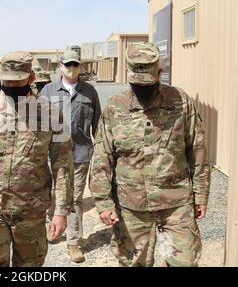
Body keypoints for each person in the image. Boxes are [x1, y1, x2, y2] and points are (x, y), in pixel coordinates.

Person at [90, 42, 211, 267]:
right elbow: (101, 158)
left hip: (177, 202)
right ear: (128, 75)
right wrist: (104, 202)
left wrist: (201, 194)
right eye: (137, 84)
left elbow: (198, 149)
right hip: (131, 205)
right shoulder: (115, 108)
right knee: (134, 263)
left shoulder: (180, 101)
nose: (142, 89)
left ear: (160, 74)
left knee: (185, 261)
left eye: (148, 83)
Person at [0, 51, 74, 267]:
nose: (11, 86)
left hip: (31, 210)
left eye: (17, 81)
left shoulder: (50, 112)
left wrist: (61, 211)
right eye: (7, 81)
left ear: (31, 78)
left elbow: (63, 165)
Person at [40, 49, 102, 263]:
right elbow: (37, 124)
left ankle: (74, 242)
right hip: (52, 155)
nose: (71, 68)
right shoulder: (47, 91)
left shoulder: (89, 92)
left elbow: (98, 125)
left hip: (80, 154)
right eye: (68, 64)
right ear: (60, 66)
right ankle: (53, 226)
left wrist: (101, 154)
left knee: (75, 199)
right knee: (53, 194)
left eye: (75, 64)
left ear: (80, 66)